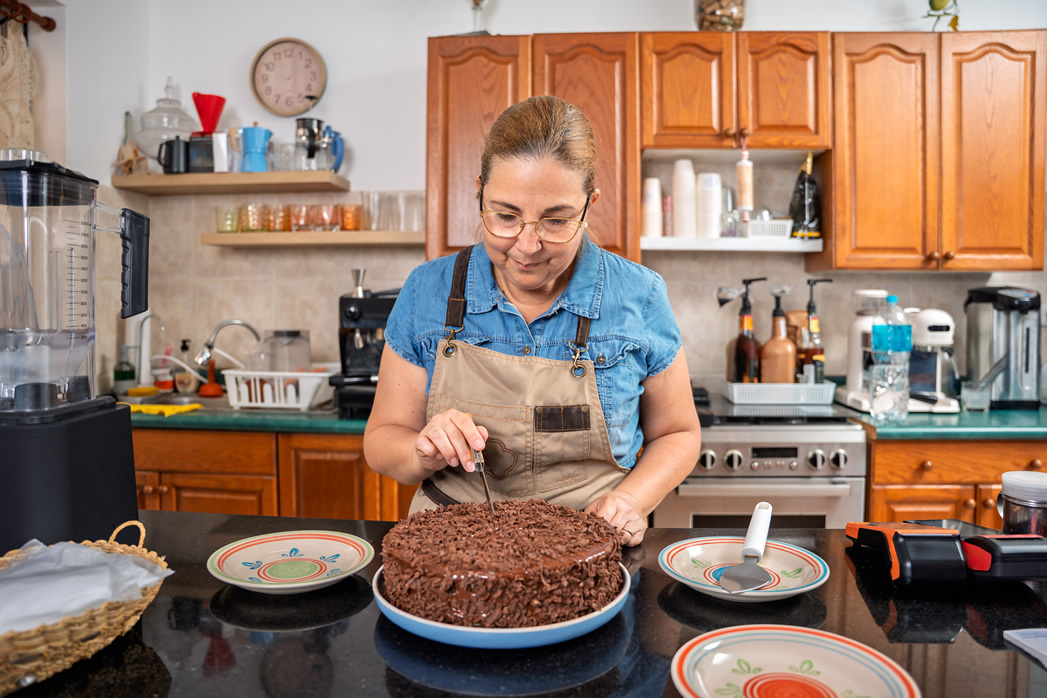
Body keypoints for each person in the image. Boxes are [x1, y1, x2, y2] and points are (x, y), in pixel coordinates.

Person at [363, 95, 701, 546]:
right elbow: (382, 440)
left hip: (591, 547)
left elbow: (679, 433)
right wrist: (420, 451)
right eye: (505, 216)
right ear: (479, 192)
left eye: (556, 221)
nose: (527, 245)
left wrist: (631, 500)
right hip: (450, 549)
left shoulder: (640, 295)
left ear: (589, 205)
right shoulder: (427, 290)